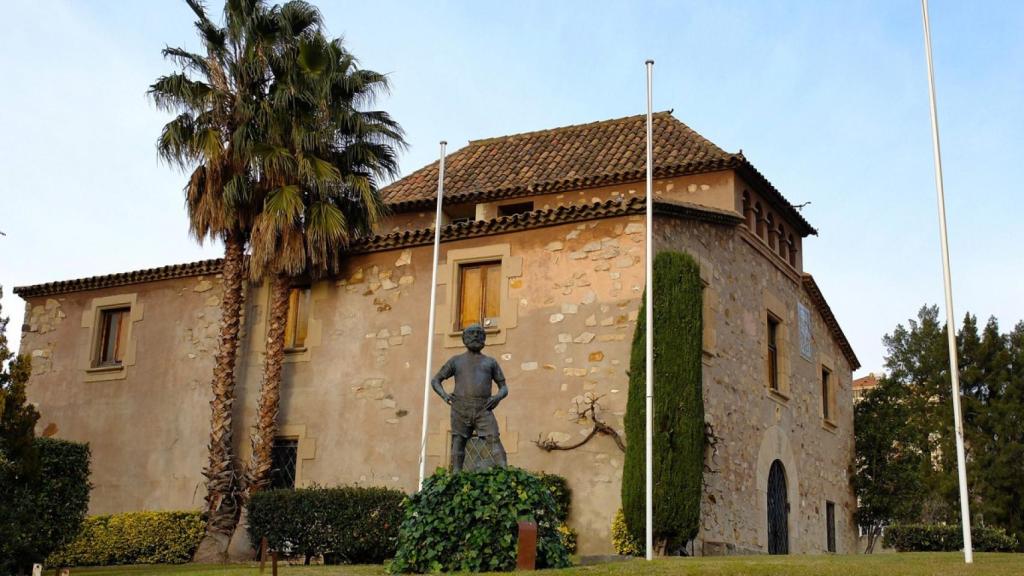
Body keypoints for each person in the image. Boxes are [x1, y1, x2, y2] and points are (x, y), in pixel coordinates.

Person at [431, 323, 508, 472]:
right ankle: (456, 477)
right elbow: (436, 381)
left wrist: (497, 397)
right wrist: (445, 396)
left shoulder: (490, 362)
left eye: (479, 334)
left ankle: (506, 475)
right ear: (464, 339)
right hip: (460, 407)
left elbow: (504, 387)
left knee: (494, 439)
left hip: (483, 408)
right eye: (471, 334)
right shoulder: (456, 361)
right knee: (458, 442)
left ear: (484, 338)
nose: (475, 337)